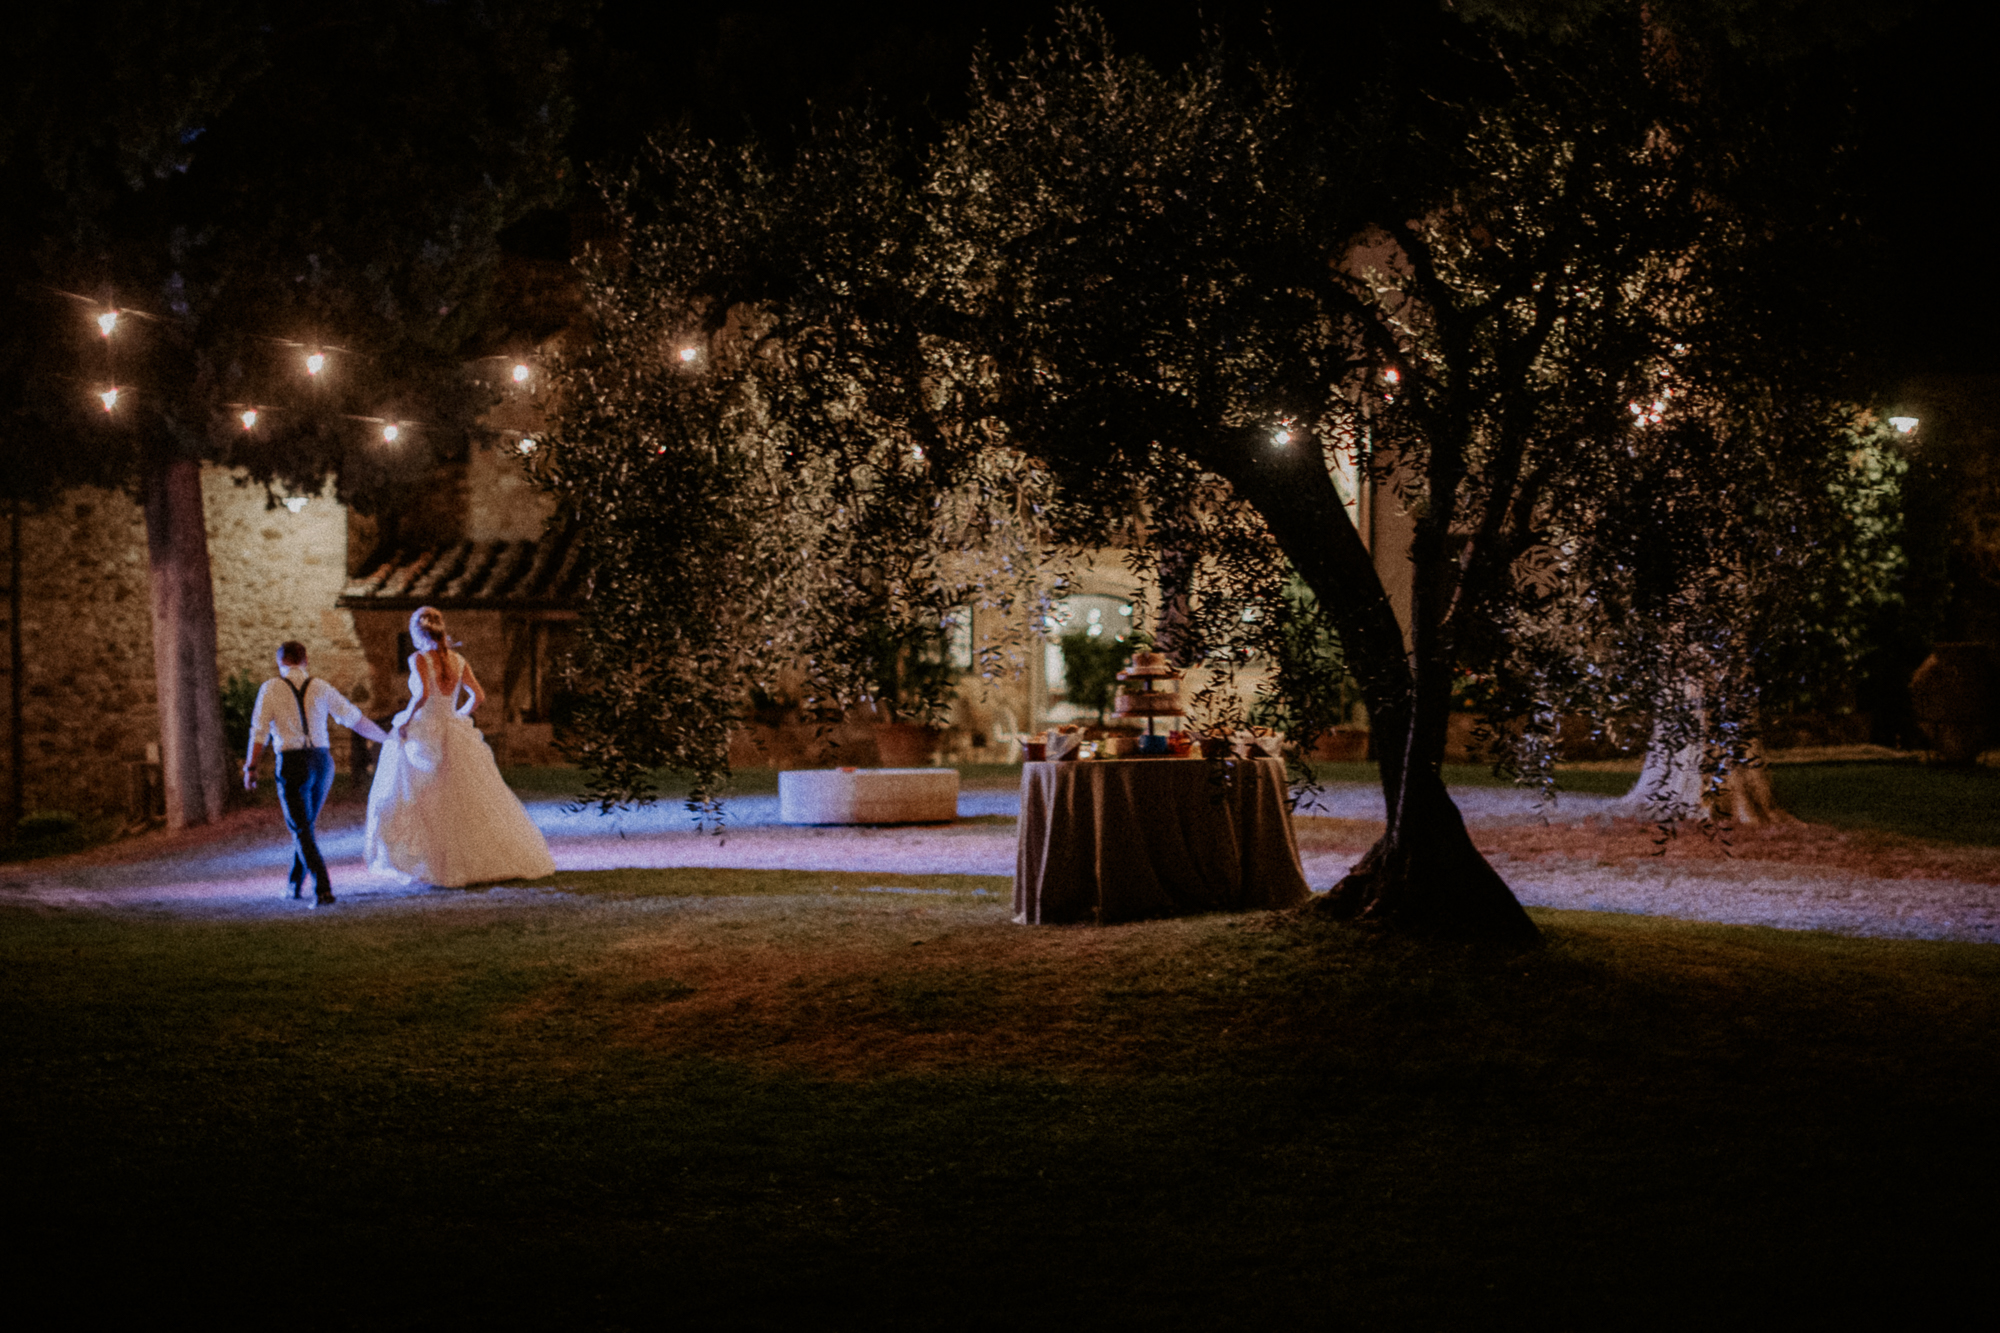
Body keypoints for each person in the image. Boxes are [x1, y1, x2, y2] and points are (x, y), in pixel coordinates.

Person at [364, 605, 556, 887]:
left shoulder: (419, 658)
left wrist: (406, 719)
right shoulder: (458, 659)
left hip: (425, 728)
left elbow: (423, 694)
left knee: (417, 790)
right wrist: (456, 716)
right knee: (464, 794)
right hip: (451, 728)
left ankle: (430, 861)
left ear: (417, 632)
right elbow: (477, 695)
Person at [244, 641, 390, 907]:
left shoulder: (270, 689)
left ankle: (323, 888)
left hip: (292, 763)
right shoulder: (321, 687)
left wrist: (251, 767)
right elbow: (354, 718)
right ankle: (293, 883)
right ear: (305, 660)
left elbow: (259, 731)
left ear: (280, 662)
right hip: (322, 763)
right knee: (305, 826)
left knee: (301, 828)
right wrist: (387, 738)